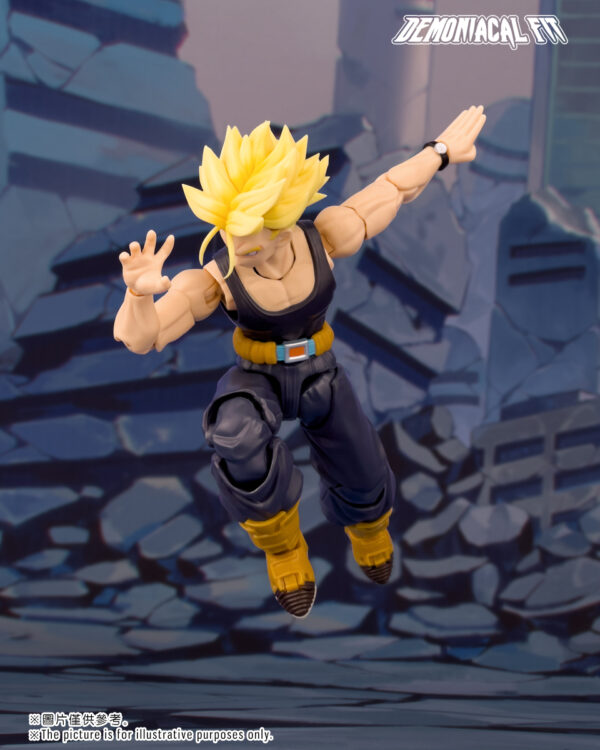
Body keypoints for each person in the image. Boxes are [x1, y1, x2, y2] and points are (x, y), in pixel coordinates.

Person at [114, 106, 486, 617]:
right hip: (258, 377)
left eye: (251, 227)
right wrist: (137, 295)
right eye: (230, 228)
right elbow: (143, 338)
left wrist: (440, 153)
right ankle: (284, 548)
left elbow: (393, 189)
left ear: (282, 217)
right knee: (235, 433)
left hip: (319, 371)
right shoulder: (216, 278)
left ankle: (370, 529)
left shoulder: (324, 237)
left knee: (361, 461)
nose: (239, 242)